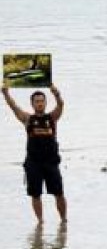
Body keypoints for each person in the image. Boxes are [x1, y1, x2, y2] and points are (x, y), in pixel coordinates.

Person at [2, 83, 67, 224]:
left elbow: (61, 105)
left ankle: (63, 220)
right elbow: (14, 107)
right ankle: (40, 222)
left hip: (51, 162)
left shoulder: (52, 118)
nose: (40, 104)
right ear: (32, 104)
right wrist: (6, 93)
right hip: (33, 163)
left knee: (59, 193)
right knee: (35, 194)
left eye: (42, 101)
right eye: (37, 101)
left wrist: (56, 94)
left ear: (45, 102)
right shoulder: (28, 119)